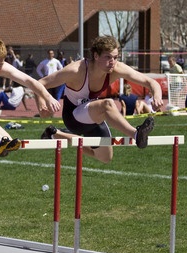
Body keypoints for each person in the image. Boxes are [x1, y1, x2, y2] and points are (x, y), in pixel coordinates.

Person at [39, 35, 163, 163]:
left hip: (93, 115)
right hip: (73, 117)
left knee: (105, 158)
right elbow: (41, 83)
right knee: (107, 104)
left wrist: (157, 96)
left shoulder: (116, 68)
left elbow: (150, 82)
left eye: (115, 58)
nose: (112, 62)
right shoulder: (76, 70)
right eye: (108, 57)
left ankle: (56, 134)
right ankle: (136, 134)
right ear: (96, 56)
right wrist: (42, 103)